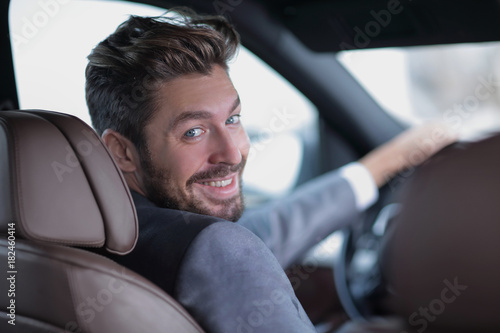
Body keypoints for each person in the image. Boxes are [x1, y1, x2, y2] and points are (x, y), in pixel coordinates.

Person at [85, 9, 455, 332]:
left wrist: (382, 165)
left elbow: (258, 235)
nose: (232, 153)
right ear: (122, 151)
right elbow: (229, 250)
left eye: (232, 119)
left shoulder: (93, 235)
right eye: (193, 132)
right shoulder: (214, 249)